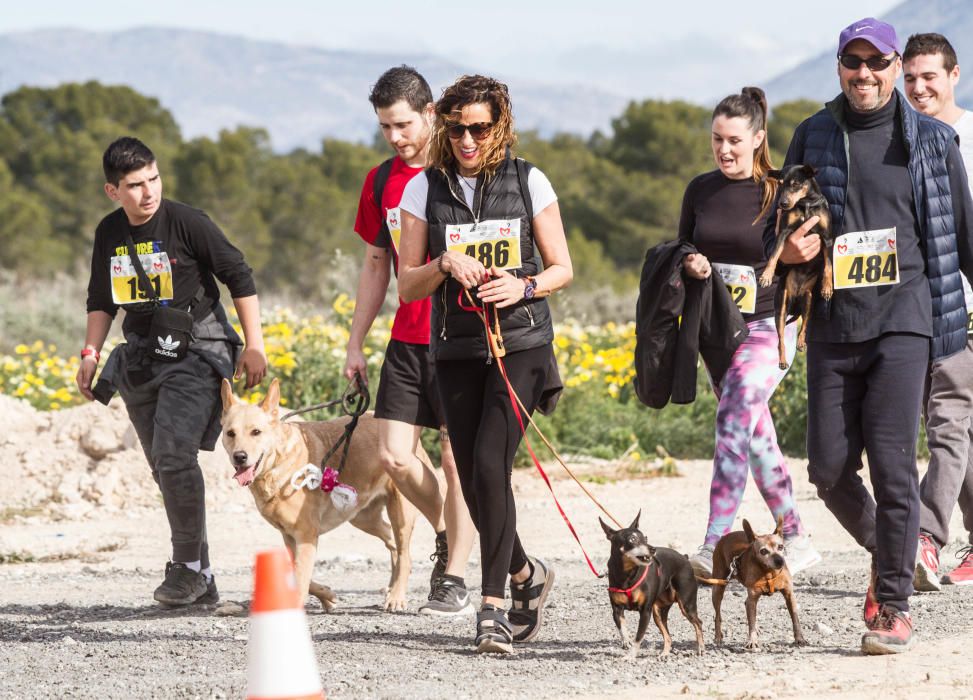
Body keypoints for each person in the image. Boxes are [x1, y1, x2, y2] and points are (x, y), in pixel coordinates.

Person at [765, 17, 973, 654]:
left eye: (876, 62)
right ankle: (901, 549)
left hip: (905, 321)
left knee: (892, 465)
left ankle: (892, 602)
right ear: (838, 67)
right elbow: (788, 219)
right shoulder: (815, 132)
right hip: (833, 322)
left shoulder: (935, 141)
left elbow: (963, 234)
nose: (865, 73)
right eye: (852, 62)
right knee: (828, 469)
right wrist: (793, 248)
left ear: (893, 67)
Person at [397, 75, 573, 653]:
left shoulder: (528, 180)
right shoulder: (423, 190)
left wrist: (521, 287)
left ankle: (493, 606)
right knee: (471, 476)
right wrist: (445, 263)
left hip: (521, 347)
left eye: (480, 127)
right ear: (442, 127)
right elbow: (406, 285)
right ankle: (526, 574)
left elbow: (561, 269)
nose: (468, 139)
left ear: (500, 125)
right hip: (457, 349)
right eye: (457, 128)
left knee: (491, 460)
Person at [76, 136, 268, 606]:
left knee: (174, 453)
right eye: (136, 185)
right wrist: (90, 353)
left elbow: (239, 275)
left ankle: (185, 568)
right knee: (164, 465)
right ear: (113, 191)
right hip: (141, 356)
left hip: (196, 353)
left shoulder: (187, 221)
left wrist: (256, 345)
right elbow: (101, 299)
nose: (149, 192)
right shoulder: (109, 233)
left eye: (154, 179)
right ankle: (200, 574)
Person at [345, 65, 475, 615]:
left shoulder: (463, 171)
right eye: (384, 128)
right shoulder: (380, 182)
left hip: (462, 336)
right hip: (407, 337)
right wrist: (356, 343)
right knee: (395, 457)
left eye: (402, 125)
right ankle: (451, 529)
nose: (395, 137)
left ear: (429, 115)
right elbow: (378, 266)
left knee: (455, 456)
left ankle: (455, 574)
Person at [680, 87, 820, 579]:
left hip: (770, 327)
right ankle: (796, 536)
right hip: (717, 334)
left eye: (735, 141)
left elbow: (809, 248)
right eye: (717, 139)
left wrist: (803, 255)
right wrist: (690, 262)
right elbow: (682, 246)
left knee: (733, 418)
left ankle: (715, 539)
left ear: (759, 139)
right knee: (754, 434)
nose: (724, 150)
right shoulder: (700, 189)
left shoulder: (779, 192)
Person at [902, 33, 973, 590]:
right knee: (953, 423)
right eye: (911, 78)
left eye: (930, 76)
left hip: (964, 307)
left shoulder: (969, 137)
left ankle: (925, 538)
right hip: (914, 310)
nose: (920, 87)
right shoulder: (901, 138)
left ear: (954, 76)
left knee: (948, 421)